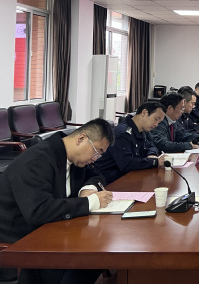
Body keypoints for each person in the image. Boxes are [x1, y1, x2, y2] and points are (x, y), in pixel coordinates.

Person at [0, 119, 114, 284]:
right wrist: (90, 202)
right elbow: (38, 211)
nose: (95, 159)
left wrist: (88, 188)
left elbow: (96, 175)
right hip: (20, 243)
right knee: (90, 258)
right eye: (96, 151)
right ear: (81, 139)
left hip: (52, 232)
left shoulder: (72, 157)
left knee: (98, 251)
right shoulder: (36, 160)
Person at [94, 101, 166, 184]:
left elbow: (151, 146)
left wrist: (152, 154)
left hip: (130, 177)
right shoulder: (122, 133)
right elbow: (127, 163)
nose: (156, 124)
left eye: (159, 122)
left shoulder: (142, 130)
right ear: (144, 113)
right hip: (111, 181)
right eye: (156, 119)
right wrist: (154, 162)